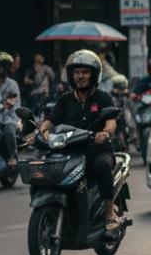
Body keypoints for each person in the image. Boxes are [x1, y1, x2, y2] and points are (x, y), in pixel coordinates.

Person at [37, 50, 122, 231]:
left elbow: (111, 122)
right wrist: (41, 131)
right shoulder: (66, 100)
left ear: (93, 75)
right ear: (71, 75)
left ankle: (109, 214)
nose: (80, 77)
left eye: (85, 72)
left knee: (101, 166)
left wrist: (105, 133)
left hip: (97, 151)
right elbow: (50, 121)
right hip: (70, 152)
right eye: (76, 72)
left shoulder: (103, 97)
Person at [0, 52, 21, 171]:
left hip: (9, 118)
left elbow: (9, 105)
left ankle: (13, 157)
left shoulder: (12, 84)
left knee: (8, 130)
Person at [26, 53, 56, 119]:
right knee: (35, 112)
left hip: (43, 94)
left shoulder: (46, 69)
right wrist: (33, 82)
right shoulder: (32, 69)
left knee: (43, 112)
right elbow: (26, 80)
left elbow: (53, 77)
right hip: (35, 94)